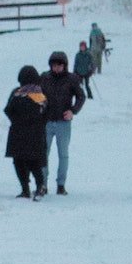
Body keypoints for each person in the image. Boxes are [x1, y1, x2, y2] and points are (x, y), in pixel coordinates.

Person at [40, 50, 86, 195]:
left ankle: (61, 184)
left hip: (63, 123)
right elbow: (37, 95)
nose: (57, 68)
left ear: (65, 65)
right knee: (43, 154)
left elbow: (81, 97)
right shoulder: (44, 78)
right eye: (54, 65)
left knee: (63, 154)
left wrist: (73, 111)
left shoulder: (72, 79)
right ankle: (43, 183)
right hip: (46, 121)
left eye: (60, 65)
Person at [4, 65, 49, 199]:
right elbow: (46, 113)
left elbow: (8, 110)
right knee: (33, 161)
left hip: (17, 133)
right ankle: (40, 185)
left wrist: (17, 121)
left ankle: (25, 188)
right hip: (35, 133)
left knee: (19, 161)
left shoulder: (17, 93)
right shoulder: (40, 95)